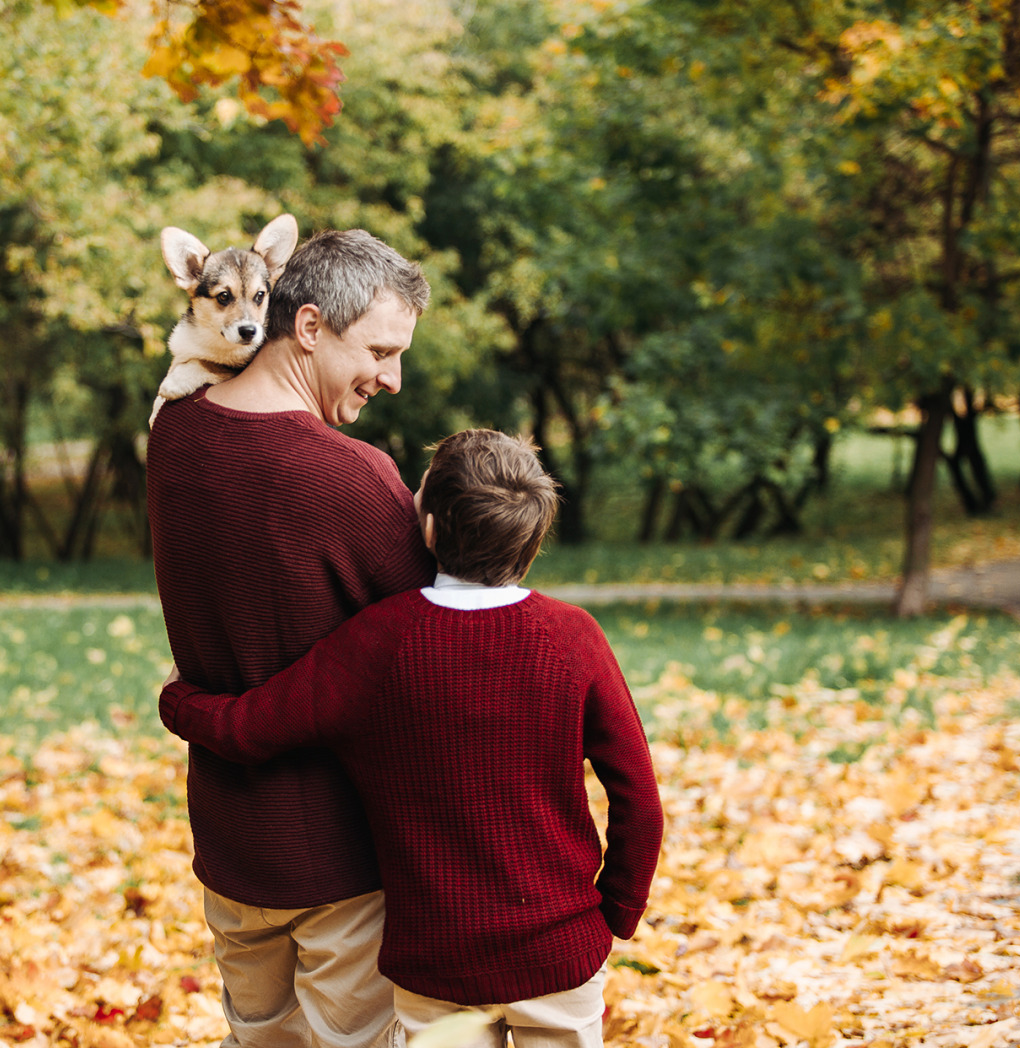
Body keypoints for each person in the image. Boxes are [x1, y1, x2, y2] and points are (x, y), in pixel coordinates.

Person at [160, 429, 664, 1048]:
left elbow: (253, 728)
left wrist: (179, 700)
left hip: (436, 961)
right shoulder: (572, 637)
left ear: (427, 530)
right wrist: (616, 912)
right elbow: (639, 799)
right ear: (533, 541)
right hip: (560, 948)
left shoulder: (379, 641)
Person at [146, 228, 435, 1048]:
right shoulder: (351, 475)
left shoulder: (173, 437)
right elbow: (428, 652)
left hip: (233, 847)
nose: (393, 377)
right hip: (342, 860)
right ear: (307, 327)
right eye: (380, 349)